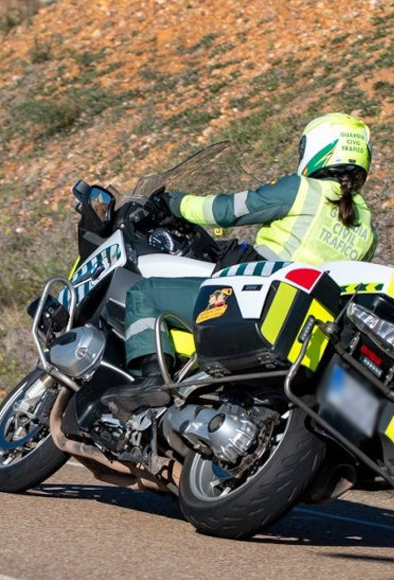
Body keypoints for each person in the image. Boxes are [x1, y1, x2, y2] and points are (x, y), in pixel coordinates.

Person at [102, 112, 378, 418]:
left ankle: (153, 379)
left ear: (319, 150)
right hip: (303, 331)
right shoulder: (367, 229)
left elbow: (227, 211)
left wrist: (172, 203)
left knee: (145, 294)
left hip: (252, 298)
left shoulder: (303, 190)